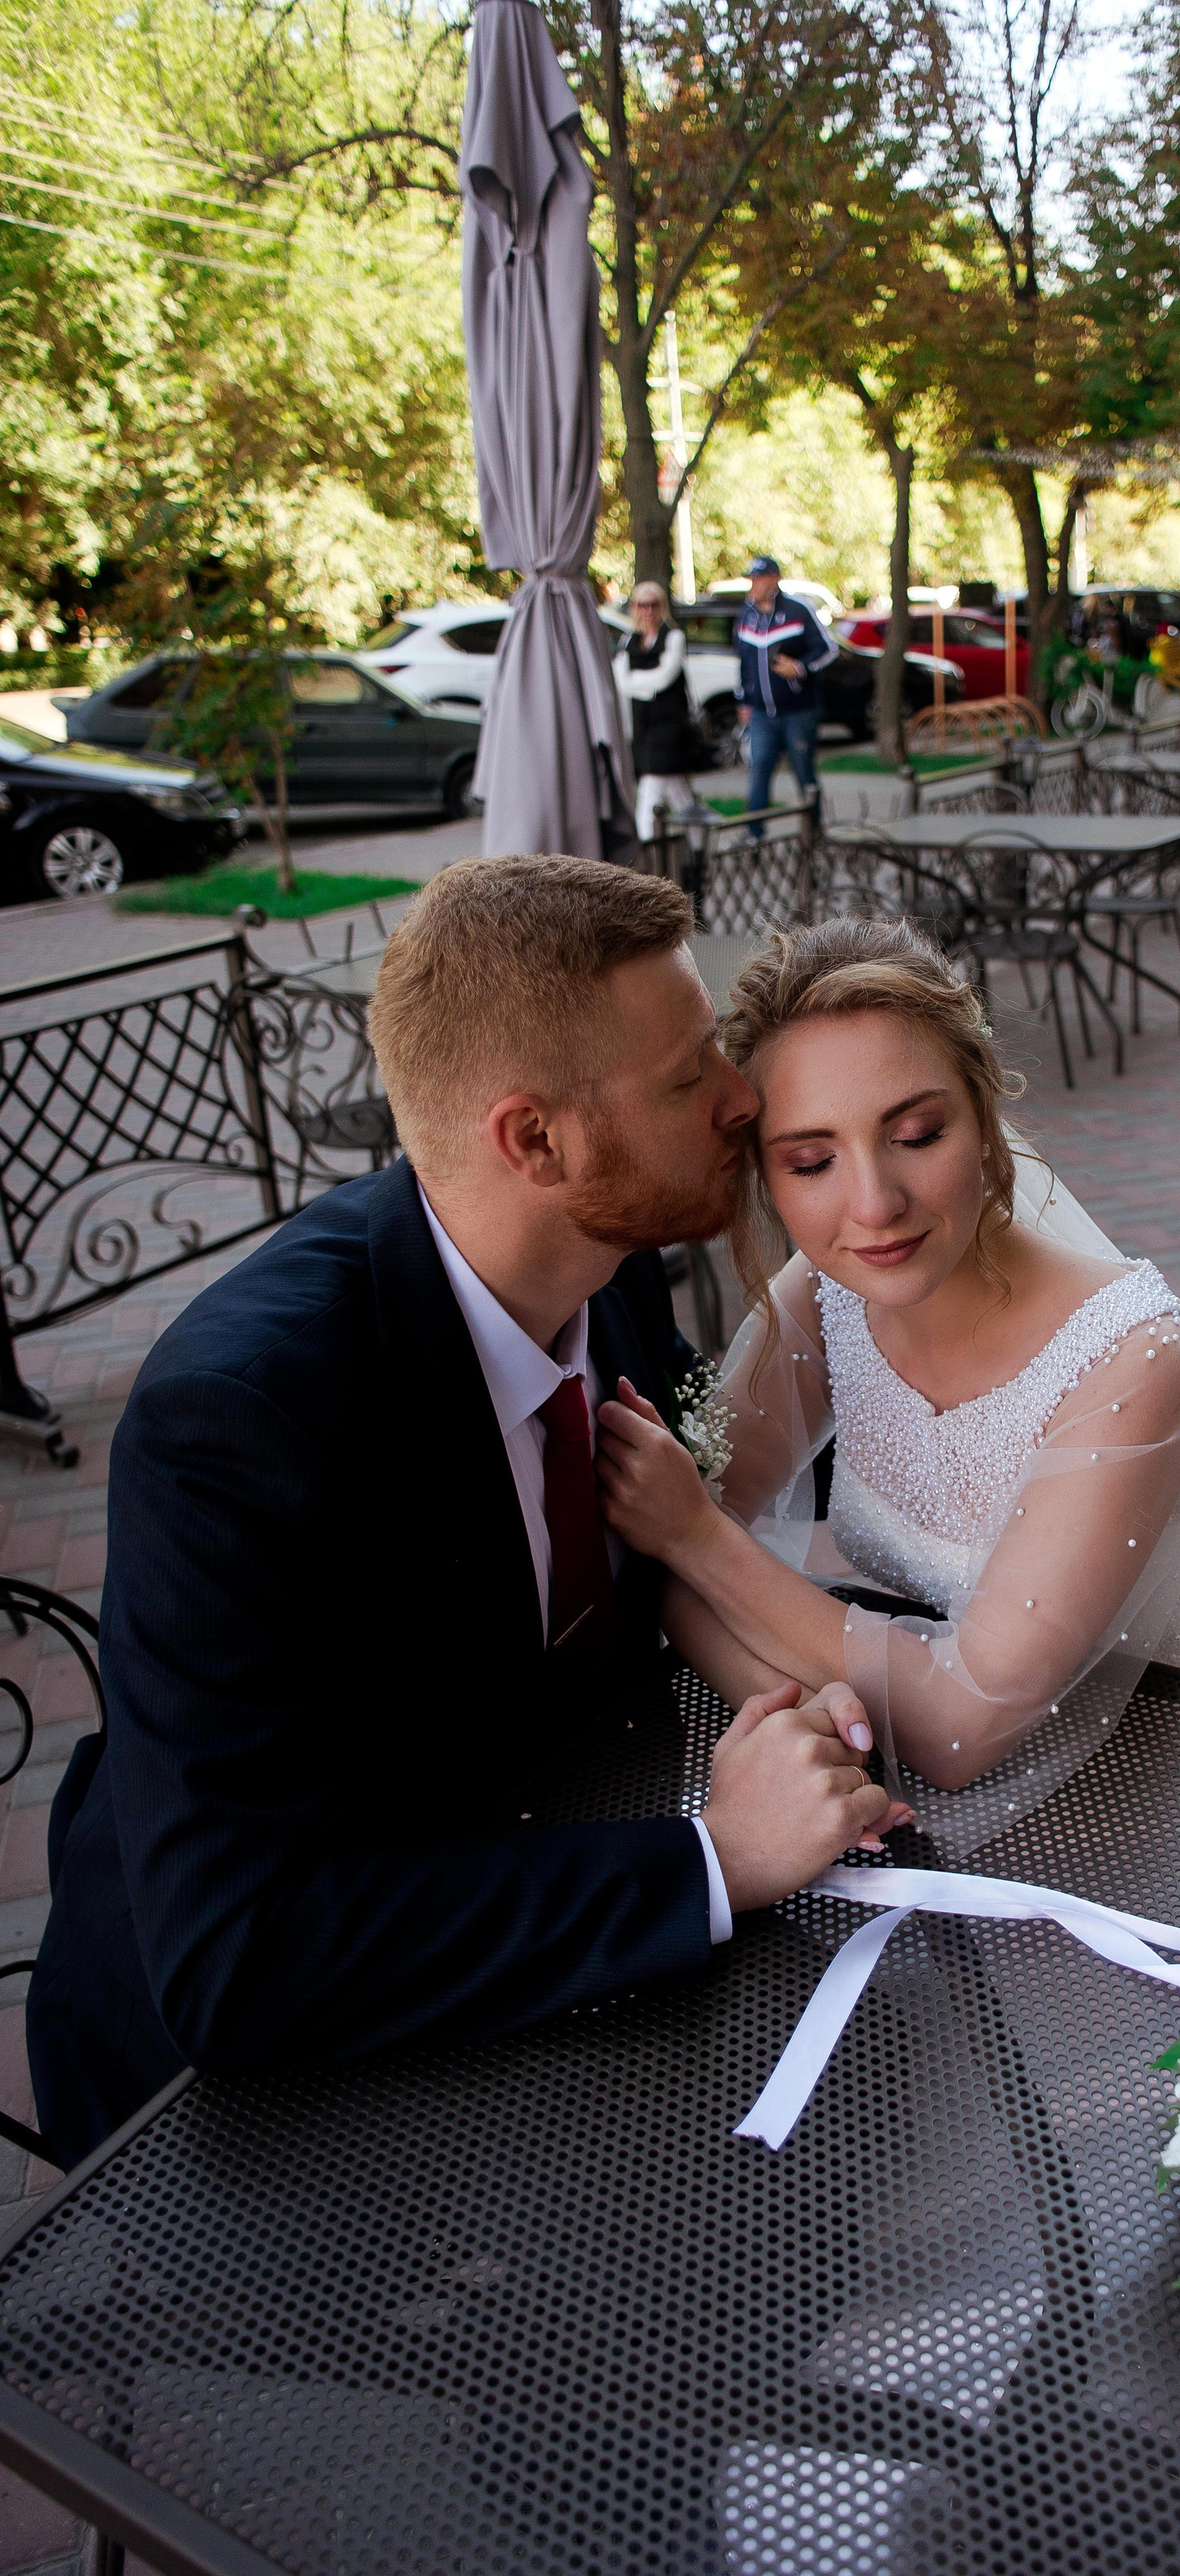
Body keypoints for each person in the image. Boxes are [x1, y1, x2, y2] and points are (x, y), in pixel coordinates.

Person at [28, 858, 903, 2170]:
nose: (741, 1100)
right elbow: (242, 1957)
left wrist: (790, 1699)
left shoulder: (604, 1275)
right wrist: (710, 1859)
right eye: (687, 1080)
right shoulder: (242, 1419)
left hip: (534, 1872)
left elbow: (642, 1583)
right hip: (250, 2104)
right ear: (533, 1140)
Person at [596, 918, 1180, 1859]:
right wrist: (795, 1707)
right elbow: (672, 1564)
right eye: (813, 1160)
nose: (873, 1204)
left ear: (986, 1113)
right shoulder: (828, 1293)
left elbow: (955, 1724)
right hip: (978, 1780)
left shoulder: (1131, 1362)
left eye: (915, 1133)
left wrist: (697, 1538)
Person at [734, 556, 837, 843]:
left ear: (775, 579)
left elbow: (828, 649)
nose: (754, 585)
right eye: (752, 579)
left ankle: (815, 832)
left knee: (803, 770)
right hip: (761, 713)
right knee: (760, 769)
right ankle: (755, 833)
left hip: (798, 711)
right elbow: (742, 662)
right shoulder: (747, 616)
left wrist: (800, 667)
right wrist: (743, 699)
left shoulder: (798, 610)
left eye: (760, 578)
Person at [612, 582, 700, 843]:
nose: (648, 611)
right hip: (643, 725)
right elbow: (621, 682)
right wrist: (647, 684)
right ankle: (698, 841)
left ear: (662, 607)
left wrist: (638, 682)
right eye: (642, 604)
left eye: (654, 605)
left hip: (670, 724)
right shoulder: (629, 640)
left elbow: (666, 676)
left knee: (651, 787)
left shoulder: (673, 637)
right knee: (676, 792)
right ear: (634, 608)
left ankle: (646, 847)